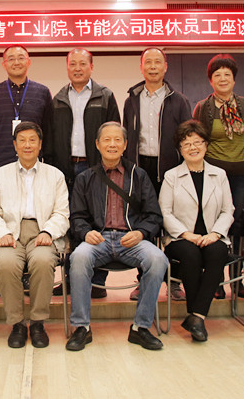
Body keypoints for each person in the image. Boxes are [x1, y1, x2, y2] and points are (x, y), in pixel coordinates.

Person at [65, 122, 168, 351]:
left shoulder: (139, 176)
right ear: (97, 144)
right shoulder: (85, 178)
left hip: (131, 240)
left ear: (125, 145)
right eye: (107, 140)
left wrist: (141, 232)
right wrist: (86, 232)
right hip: (98, 240)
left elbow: (154, 215)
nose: (112, 144)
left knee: (158, 259)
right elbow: (76, 216)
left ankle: (141, 327)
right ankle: (82, 327)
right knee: (79, 258)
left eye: (117, 140)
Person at [0, 122, 69, 348]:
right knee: (6, 264)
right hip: (9, 233)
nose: (27, 145)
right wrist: (2, 232)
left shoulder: (55, 175)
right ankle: (18, 324)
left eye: (32, 140)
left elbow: (62, 213)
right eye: (22, 140)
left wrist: (49, 231)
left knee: (43, 261)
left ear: (40, 145)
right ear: (14, 145)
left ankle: (38, 323)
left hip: (42, 231)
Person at [47, 48, 120, 299]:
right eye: (73, 64)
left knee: (99, 221)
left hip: (97, 168)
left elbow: (115, 133)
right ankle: (70, 279)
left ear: (91, 66)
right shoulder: (58, 99)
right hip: (66, 169)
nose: (77, 68)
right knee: (70, 225)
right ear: (67, 67)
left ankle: (98, 281)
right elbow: (51, 136)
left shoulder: (105, 96)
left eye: (82, 64)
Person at [122, 47, 191, 301]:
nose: (152, 66)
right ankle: (144, 280)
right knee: (144, 226)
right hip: (140, 169)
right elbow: (126, 135)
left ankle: (175, 281)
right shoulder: (131, 99)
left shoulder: (179, 100)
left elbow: (187, 136)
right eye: (148, 62)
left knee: (174, 225)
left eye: (157, 62)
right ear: (141, 67)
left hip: (171, 170)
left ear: (165, 67)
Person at [193, 53, 244, 297]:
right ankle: (216, 279)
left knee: (238, 223)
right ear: (210, 80)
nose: (222, 79)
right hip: (213, 174)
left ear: (234, 79)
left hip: (242, 173)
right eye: (217, 75)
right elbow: (197, 140)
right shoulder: (203, 107)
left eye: (227, 74)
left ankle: (237, 279)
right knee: (213, 224)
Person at [159, 120, 233, 342]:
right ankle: (196, 316)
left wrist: (215, 234)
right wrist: (186, 234)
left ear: (206, 145)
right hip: (180, 238)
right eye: (186, 144)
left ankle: (196, 317)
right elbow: (165, 212)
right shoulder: (172, 176)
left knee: (218, 252)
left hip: (212, 235)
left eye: (197, 142)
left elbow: (228, 210)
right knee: (191, 254)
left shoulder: (219, 174)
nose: (193, 148)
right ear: (180, 149)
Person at [0, 45, 52, 173]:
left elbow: (47, 131)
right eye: (11, 59)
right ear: (4, 64)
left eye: (21, 58)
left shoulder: (42, 92)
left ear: (28, 62)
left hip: (33, 164)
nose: (16, 62)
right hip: (1, 163)